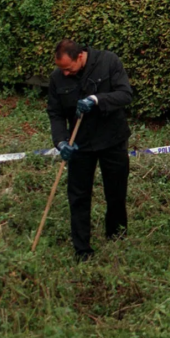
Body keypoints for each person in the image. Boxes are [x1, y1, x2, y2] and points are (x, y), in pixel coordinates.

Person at [47, 39, 133, 260]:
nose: (64, 73)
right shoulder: (57, 79)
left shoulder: (109, 61)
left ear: (81, 56)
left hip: (112, 140)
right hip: (80, 145)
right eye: (60, 69)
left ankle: (116, 235)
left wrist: (97, 99)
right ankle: (82, 248)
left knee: (116, 192)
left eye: (68, 68)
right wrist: (61, 142)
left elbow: (125, 94)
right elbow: (55, 114)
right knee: (78, 196)